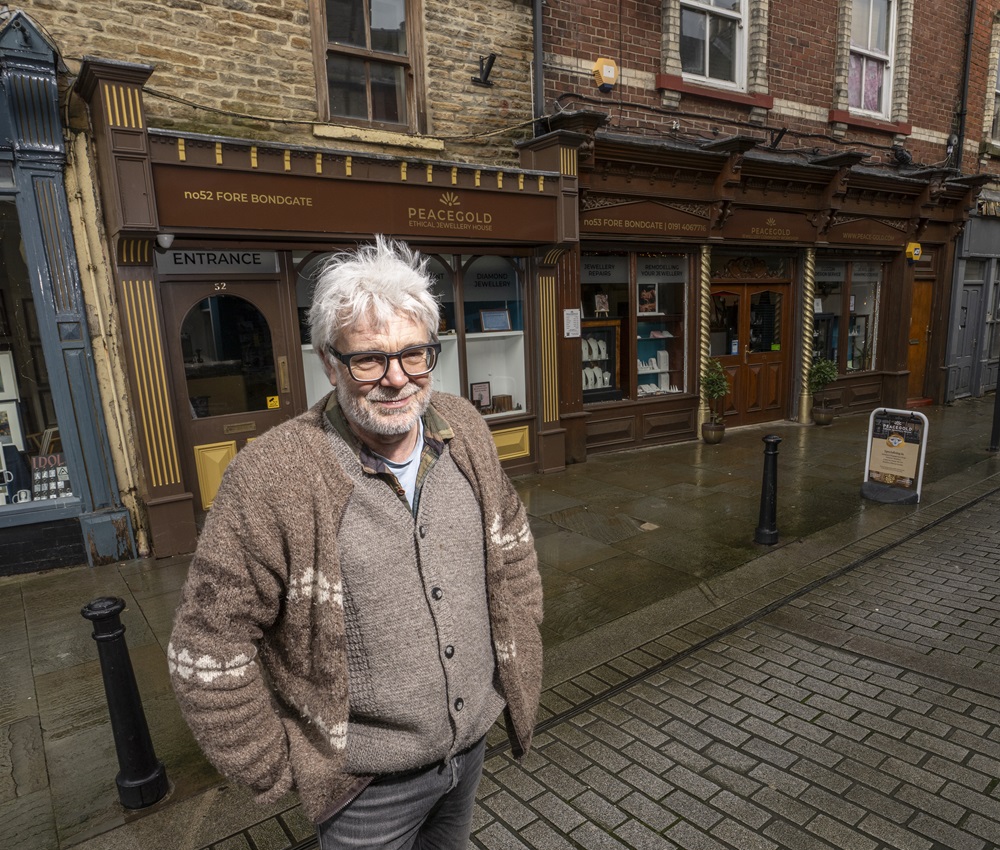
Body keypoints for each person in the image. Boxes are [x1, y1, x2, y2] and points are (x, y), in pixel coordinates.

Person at [168, 236, 543, 849]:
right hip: (362, 793)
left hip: (469, 751)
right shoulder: (273, 475)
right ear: (329, 362)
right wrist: (282, 767)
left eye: (414, 354)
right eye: (369, 360)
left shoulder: (465, 428)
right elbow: (206, 648)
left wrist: (514, 658)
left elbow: (513, 548)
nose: (396, 379)